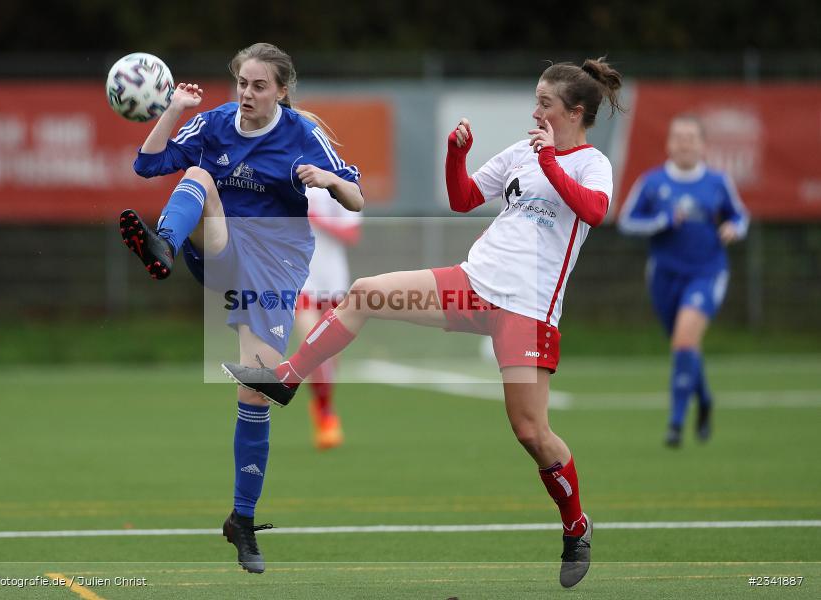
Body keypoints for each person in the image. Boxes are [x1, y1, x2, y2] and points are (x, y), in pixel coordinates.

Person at [224, 57, 624, 589]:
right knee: (363, 294)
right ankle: (288, 380)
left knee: (531, 432)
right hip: (472, 284)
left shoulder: (589, 163)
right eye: (535, 100)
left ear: (574, 112)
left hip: (527, 310)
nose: (536, 111)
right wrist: (456, 154)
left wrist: (550, 161)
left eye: (545, 104)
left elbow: (594, 211)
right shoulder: (523, 155)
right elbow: (462, 200)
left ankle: (576, 527)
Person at [119, 42, 363, 574]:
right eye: (242, 84)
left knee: (255, 389)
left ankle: (242, 521)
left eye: (258, 86)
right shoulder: (215, 123)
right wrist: (174, 110)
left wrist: (329, 181)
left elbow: (358, 197)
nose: (246, 94)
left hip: (275, 265)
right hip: (222, 247)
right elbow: (146, 164)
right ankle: (161, 242)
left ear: (281, 90)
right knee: (199, 177)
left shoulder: (304, 134)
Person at [618, 114, 749, 447]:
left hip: (707, 273)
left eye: (692, 138)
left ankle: (675, 424)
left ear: (703, 145)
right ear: (668, 144)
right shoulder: (652, 182)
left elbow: (739, 216)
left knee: (685, 341)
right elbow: (627, 222)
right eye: (679, 137)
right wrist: (662, 220)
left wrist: (734, 227)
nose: (685, 143)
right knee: (683, 347)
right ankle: (704, 400)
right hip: (664, 277)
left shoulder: (717, 182)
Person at [296, 186, 362, 450]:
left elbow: (352, 233)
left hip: (333, 278)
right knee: (314, 343)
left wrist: (317, 219)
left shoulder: (340, 183)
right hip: (301, 276)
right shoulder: (288, 176)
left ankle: (323, 403)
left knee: (331, 353)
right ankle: (326, 415)